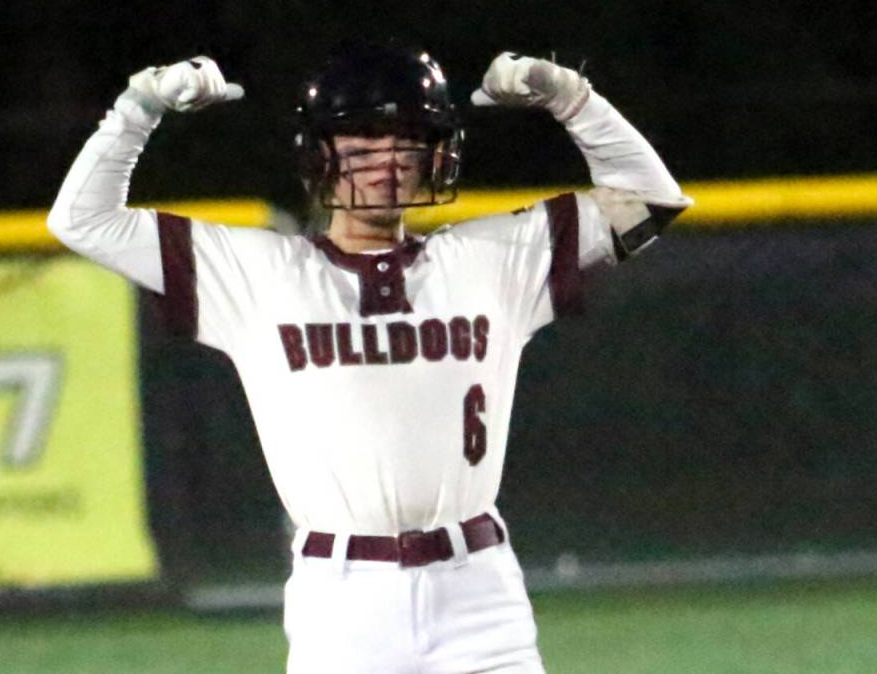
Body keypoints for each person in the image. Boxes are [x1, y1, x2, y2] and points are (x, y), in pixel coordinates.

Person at [49, 42, 691, 674]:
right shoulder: (256, 274)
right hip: (343, 602)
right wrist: (138, 109)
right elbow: (82, 220)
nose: (386, 165)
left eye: (407, 143)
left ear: (437, 153)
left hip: (479, 593)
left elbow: (652, 200)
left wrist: (572, 99)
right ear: (319, 157)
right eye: (360, 145)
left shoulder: (493, 259)